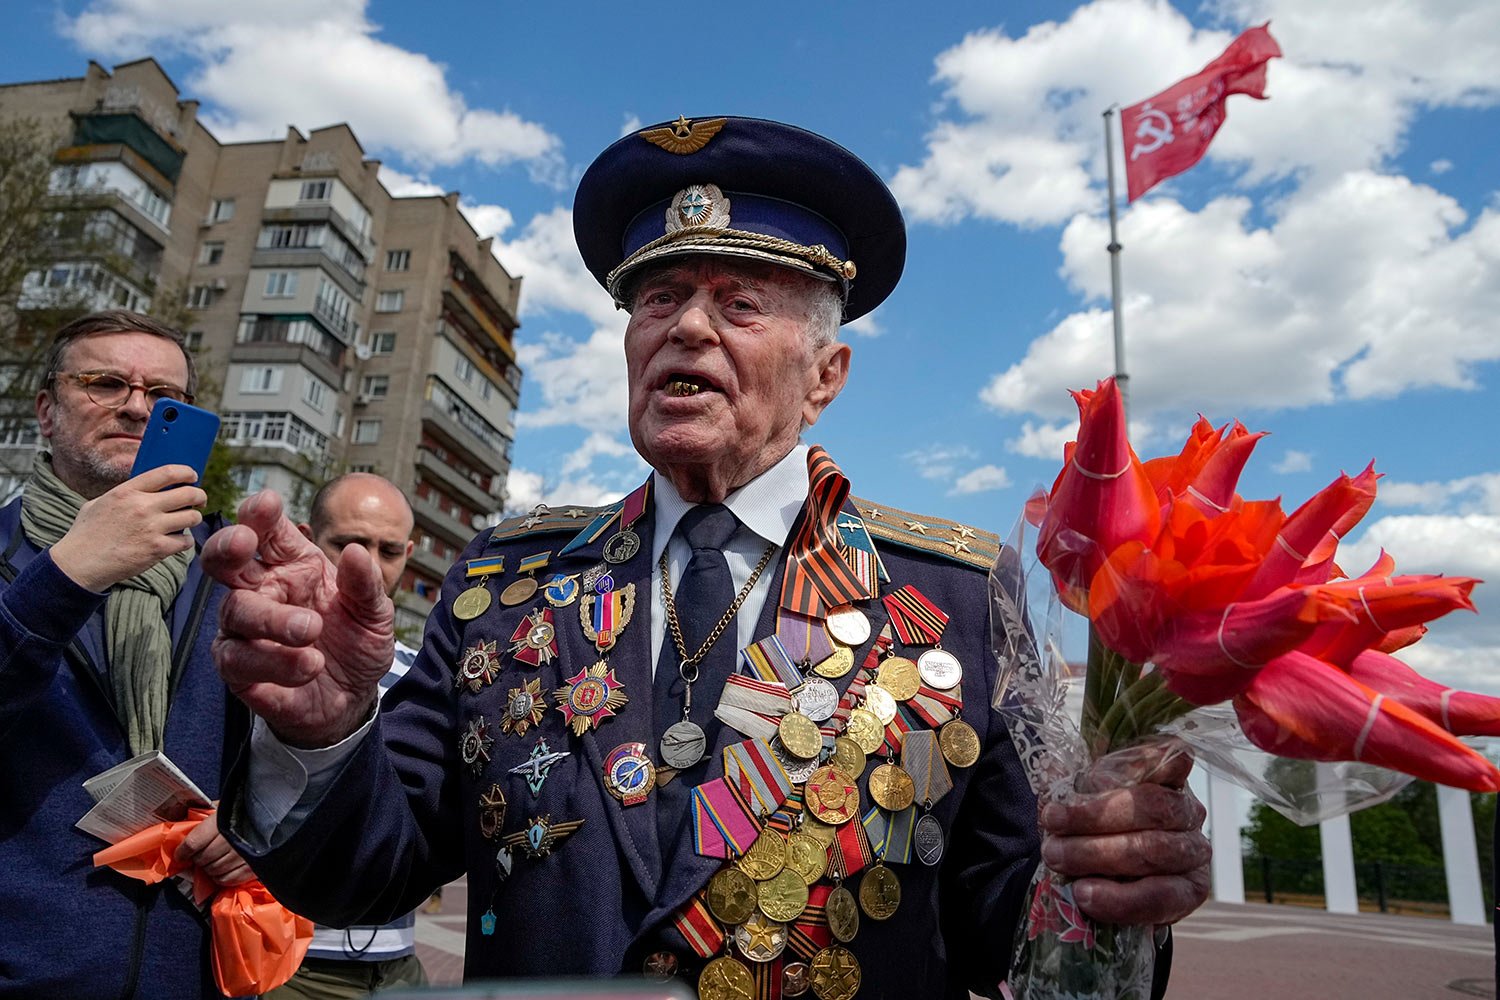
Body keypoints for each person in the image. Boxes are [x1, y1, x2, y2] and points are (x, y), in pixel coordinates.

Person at [206, 117, 1210, 998]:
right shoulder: (507, 583)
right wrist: (325, 733)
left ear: (825, 375)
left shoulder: (951, 591)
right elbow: (364, 871)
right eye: (659, 299)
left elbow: (1009, 939)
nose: (686, 323)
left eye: (738, 303)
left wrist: (1112, 885)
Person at [0, 310, 251, 998]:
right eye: (105, 382)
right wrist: (67, 574)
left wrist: (257, 825)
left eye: (164, 396)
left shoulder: (230, 564)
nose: (137, 406)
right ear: (47, 411)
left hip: (198, 971)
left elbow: (289, 746)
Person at [262, 472, 427, 998]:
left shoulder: (422, 676)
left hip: (399, 965)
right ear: (309, 537)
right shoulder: (261, 659)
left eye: (388, 549)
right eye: (349, 544)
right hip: (287, 961)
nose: (368, 566)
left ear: (410, 551)